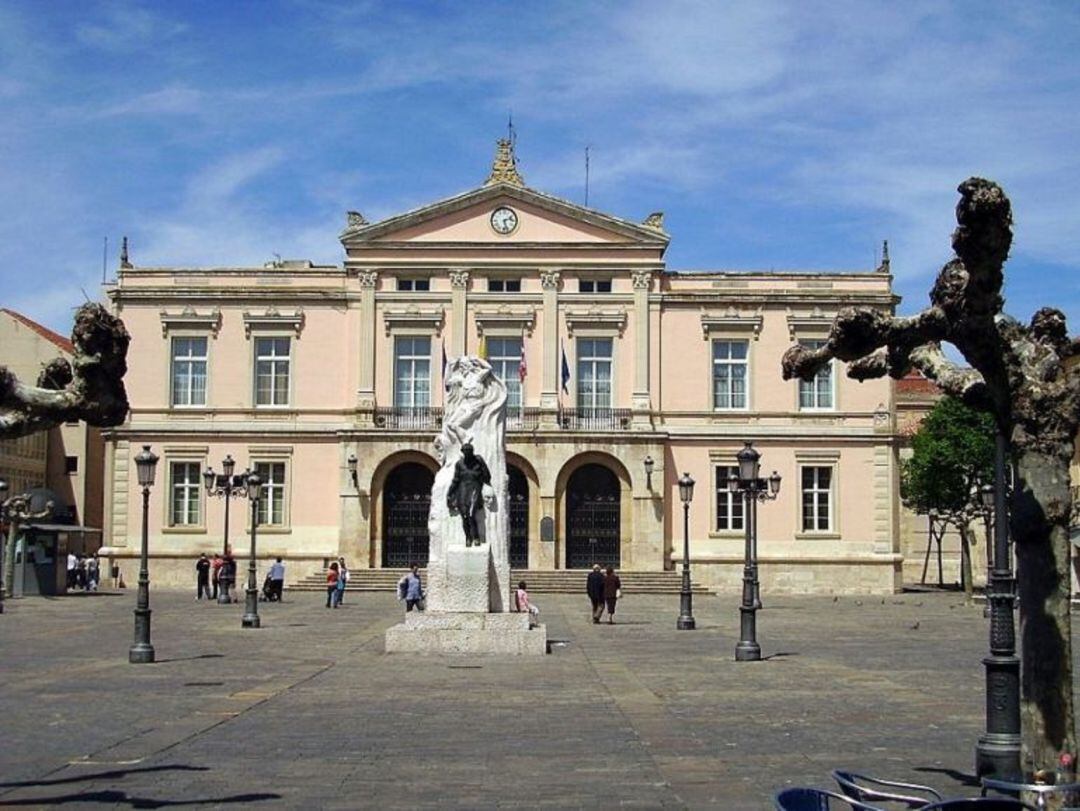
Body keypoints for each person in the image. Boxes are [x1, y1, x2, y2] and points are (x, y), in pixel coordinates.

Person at [447, 443, 491, 547]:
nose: (467, 454)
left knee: (471, 514)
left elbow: (487, 477)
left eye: (469, 452)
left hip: (474, 488)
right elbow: (455, 480)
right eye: (465, 452)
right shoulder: (459, 464)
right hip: (462, 490)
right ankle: (468, 537)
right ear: (463, 452)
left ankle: (475, 536)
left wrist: (482, 465)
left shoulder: (478, 461)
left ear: (472, 452)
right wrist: (449, 493)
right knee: (465, 516)